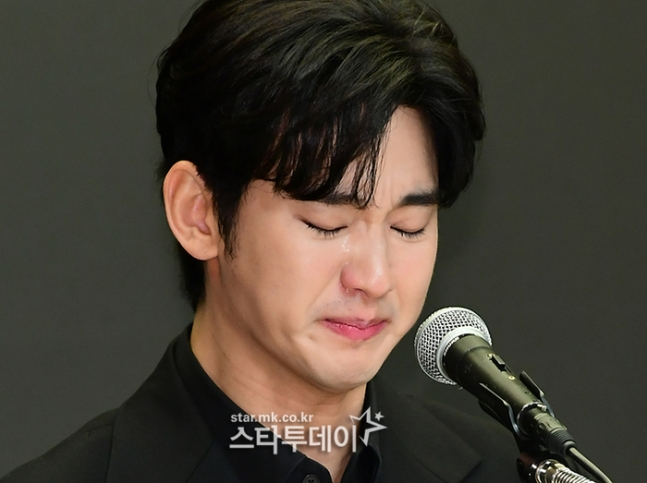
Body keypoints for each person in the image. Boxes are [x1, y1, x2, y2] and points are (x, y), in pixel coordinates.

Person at [1, 0, 520, 481]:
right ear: (199, 214)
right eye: (326, 223)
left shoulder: (505, 471)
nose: (375, 278)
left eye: (409, 225)